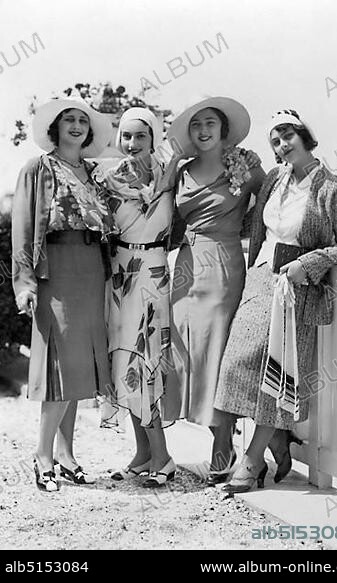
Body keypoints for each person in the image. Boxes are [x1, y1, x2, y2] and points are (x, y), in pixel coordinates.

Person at [215, 109, 337, 493]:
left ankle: (251, 460)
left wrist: (307, 263)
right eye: (275, 140)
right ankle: (277, 438)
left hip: (297, 289)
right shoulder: (276, 180)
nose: (282, 145)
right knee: (236, 366)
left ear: (305, 136)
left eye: (288, 136)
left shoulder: (330, 187)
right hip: (261, 279)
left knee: (276, 373)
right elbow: (257, 227)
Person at [12, 96, 114, 491]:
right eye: (68, 119)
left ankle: (66, 454)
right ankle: (42, 455)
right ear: (55, 128)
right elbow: (22, 229)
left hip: (91, 270)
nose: (76, 126)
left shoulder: (93, 172)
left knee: (78, 370)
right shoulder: (38, 168)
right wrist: (24, 283)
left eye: (82, 121)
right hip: (55, 269)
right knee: (59, 366)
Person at [162, 96, 266, 485]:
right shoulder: (183, 171)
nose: (203, 131)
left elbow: (271, 206)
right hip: (187, 266)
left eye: (210, 124)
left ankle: (222, 441)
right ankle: (209, 431)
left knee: (218, 351)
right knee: (185, 351)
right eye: (196, 126)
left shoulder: (245, 167)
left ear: (224, 130)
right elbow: (161, 215)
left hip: (224, 266)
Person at [95, 107, 177, 488]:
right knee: (123, 358)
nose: (131, 144)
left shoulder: (172, 176)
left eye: (140, 136)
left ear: (153, 138)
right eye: (125, 136)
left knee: (148, 359)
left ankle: (163, 455)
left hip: (155, 270)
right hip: (120, 273)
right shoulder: (108, 180)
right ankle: (144, 454)